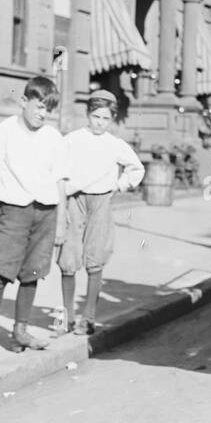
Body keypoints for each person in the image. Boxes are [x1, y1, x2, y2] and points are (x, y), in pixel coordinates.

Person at [0, 75, 69, 358]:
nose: (42, 114)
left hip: (46, 213)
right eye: (38, 107)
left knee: (32, 273)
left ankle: (20, 330)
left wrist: (60, 222)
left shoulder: (53, 137)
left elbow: (60, 181)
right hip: (14, 211)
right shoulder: (2, 133)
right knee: (0, 272)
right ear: (24, 101)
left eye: (48, 109)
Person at [58, 90, 146, 336]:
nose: (99, 122)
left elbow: (136, 168)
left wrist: (119, 184)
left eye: (105, 118)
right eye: (96, 116)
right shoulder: (72, 139)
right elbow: (57, 167)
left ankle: (88, 318)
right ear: (88, 114)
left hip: (101, 202)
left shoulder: (114, 144)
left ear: (112, 120)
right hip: (74, 200)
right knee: (69, 256)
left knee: (95, 257)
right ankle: (67, 318)